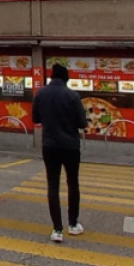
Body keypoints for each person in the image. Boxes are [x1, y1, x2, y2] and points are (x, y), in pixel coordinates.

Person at [32, 63, 87, 243]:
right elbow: (82, 123)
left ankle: (57, 230)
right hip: (71, 146)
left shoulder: (41, 94)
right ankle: (73, 224)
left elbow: (35, 118)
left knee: (53, 185)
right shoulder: (72, 95)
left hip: (50, 145)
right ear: (66, 78)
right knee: (73, 183)